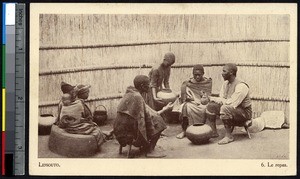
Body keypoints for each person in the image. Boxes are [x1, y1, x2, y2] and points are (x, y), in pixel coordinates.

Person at [113, 75, 173, 158]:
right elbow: (149, 117)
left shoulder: (130, 93)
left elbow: (147, 113)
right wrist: (165, 110)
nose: (150, 86)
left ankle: (147, 146)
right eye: (148, 84)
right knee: (160, 122)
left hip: (119, 131)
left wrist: (164, 109)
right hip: (128, 134)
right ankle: (150, 150)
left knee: (153, 120)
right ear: (142, 86)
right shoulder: (137, 97)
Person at [207, 63, 252, 145]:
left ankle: (229, 136)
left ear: (231, 72)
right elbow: (222, 99)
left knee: (225, 108)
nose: (222, 73)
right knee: (211, 106)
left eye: (224, 71)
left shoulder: (241, 86)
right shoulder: (225, 84)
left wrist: (214, 99)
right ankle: (213, 132)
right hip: (233, 109)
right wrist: (209, 98)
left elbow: (233, 103)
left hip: (244, 113)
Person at [54, 82, 106, 149]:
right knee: (93, 126)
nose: (73, 92)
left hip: (69, 122)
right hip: (71, 125)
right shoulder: (75, 103)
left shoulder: (68, 101)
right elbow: (67, 116)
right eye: (72, 91)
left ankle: (104, 134)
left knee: (93, 125)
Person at [176, 64, 214, 139]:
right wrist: (187, 98)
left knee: (209, 107)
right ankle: (184, 130)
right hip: (192, 103)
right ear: (193, 74)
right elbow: (183, 96)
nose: (197, 77)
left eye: (199, 75)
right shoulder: (188, 83)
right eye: (195, 75)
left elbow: (208, 95)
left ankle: (209, 129)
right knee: (185, 107)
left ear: (203, 73)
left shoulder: (207, 82)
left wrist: (204, 97)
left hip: (204, 102)